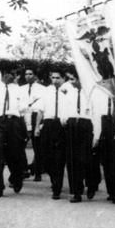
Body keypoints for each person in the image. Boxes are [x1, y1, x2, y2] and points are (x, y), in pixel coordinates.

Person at [0, 62, 29, 197]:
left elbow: (23, 107)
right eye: (13, 74)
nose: (15, 77)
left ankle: (16, 178)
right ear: (4, 74)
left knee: (15, 154)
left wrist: (22, 105)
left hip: (14, 122)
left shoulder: (17, 88)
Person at [35, 69, 77, 200]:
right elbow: (40, 110)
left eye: (58, 78)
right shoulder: (47, 90)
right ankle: (54, 180)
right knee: (46, 157)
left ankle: (56, 188)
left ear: (63, 78)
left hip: (62, 124)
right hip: (48, 124)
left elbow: (73, 107)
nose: (55, 80)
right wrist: (37, 126)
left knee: (59, 158)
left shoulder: (70, 90)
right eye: (52, 77)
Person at [64, 71, 98, 203]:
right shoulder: (69, 92)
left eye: (73, 79)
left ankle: (91, 184)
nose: (70, 82)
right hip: (72, 125)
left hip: (86, 125)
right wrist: (64, 118)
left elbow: (96, 115)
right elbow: (65, 108)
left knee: (86, 159)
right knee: (72, 161)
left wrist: (96, 134)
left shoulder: (91, 93)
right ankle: (76, 192)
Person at [90, 84, 115, 203]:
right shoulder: (97, 91)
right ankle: (111, 191)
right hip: (103, 124)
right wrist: (96, 136)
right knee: (107, 161)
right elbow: (96, 115)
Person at [20, 67, 45, 182]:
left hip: (35, 116)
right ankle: (24, 171)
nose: (28, 76)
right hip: (24, 117)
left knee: (38, 148)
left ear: (35, 75)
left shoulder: (41, 89)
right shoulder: (21, 89)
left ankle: (38, 172)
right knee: (20, 147)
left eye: (30, 74)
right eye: (26, 74)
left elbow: (41, 107)